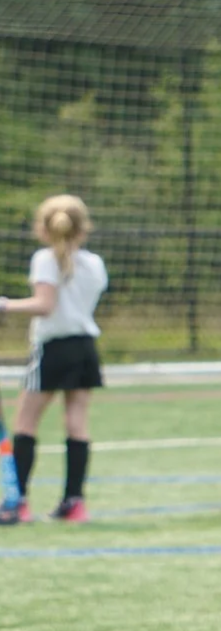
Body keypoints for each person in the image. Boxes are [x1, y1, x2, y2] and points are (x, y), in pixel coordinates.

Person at [0, 195, 109, 524]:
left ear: (44, 228)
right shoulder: (95, 263)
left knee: (25, 423)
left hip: (53, 348)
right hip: (85, 346)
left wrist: (4, 305)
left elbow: (45, 305)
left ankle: (16, 503)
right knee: (76, 423)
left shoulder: (45, 259)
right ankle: (73, 503)